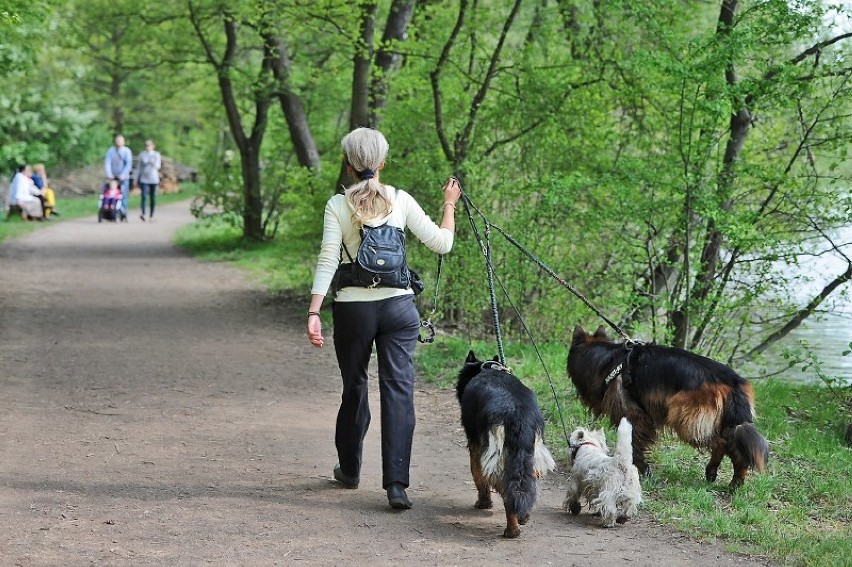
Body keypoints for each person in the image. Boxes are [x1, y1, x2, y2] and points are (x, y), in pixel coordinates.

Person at [306, 127, 461, 510]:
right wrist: (449, 204)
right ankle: (396, 485)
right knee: (398, 390)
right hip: (398, 308)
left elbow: (328, 259)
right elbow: (442, 243)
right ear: (381, 163)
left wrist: (314, 310)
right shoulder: (400, 200)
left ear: (349, 165)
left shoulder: (337, 205)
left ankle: (350, 468)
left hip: (352, 309)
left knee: (354, 387)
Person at [104, 134, 132, 219]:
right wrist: (109, 174)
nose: (118, 142)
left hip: (123, 177)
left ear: (123, 142)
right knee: (110, 193)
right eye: (117, 141)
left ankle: (123, 211)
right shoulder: (111, 151)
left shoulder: (126, 151)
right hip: (113, 177)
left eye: (120, 141)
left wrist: (123, 174)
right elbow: (107, 162)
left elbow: (128, 164)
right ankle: (109, 210)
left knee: (123, 194)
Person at [137, 139, 161, 221]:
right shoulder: (142, 155)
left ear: (153, 146)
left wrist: (152, 162)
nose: (147, 147)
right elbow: (139, 167)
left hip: (153, 179)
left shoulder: (156, 154)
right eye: (146, 145)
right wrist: (136, 178)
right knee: (143, 196)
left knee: (152, 197)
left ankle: (151, 215)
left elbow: (158, 166)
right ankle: (143, 213)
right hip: (144, 178)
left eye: (149, 145)